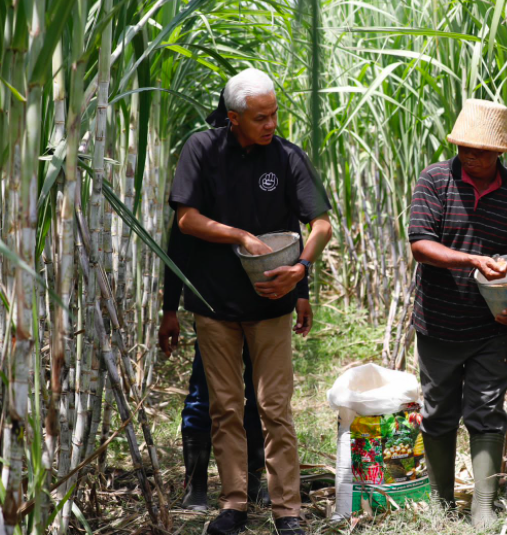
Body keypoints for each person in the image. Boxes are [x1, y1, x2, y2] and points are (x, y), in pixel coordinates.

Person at [168, 67, 332, 535]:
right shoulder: (202, 149)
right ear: (234, 117)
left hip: (271, 303)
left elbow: (320, 223)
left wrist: (300, 272)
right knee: (225, 406)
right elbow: (186, 221)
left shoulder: (287, 157)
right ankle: (233, 504)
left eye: (275, 114)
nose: (271, 124)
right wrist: (242, 235)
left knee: (275, 407)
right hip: (215, 304)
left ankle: (288, 511)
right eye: (261, 117)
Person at [407, 99, 507, 529]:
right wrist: (472, 261)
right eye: (466, 148)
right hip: (439, 321)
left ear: (500, 153)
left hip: (495, 323)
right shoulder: (435, 180)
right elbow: (419, 243)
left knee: (488, 409)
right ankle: (442, 502)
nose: (472, 156)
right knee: (437, 409)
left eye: (482, 151)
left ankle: (484, 505)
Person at [159, 216, 313, 511]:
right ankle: (196, 485)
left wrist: (301, 292)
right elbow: (180, 241)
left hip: (263, 306)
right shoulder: (204, 182)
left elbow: (291, 241)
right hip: (216, 307)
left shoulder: (273, 174)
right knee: (207, 395)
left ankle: (253, 479)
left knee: (262, 396)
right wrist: (170, 308)